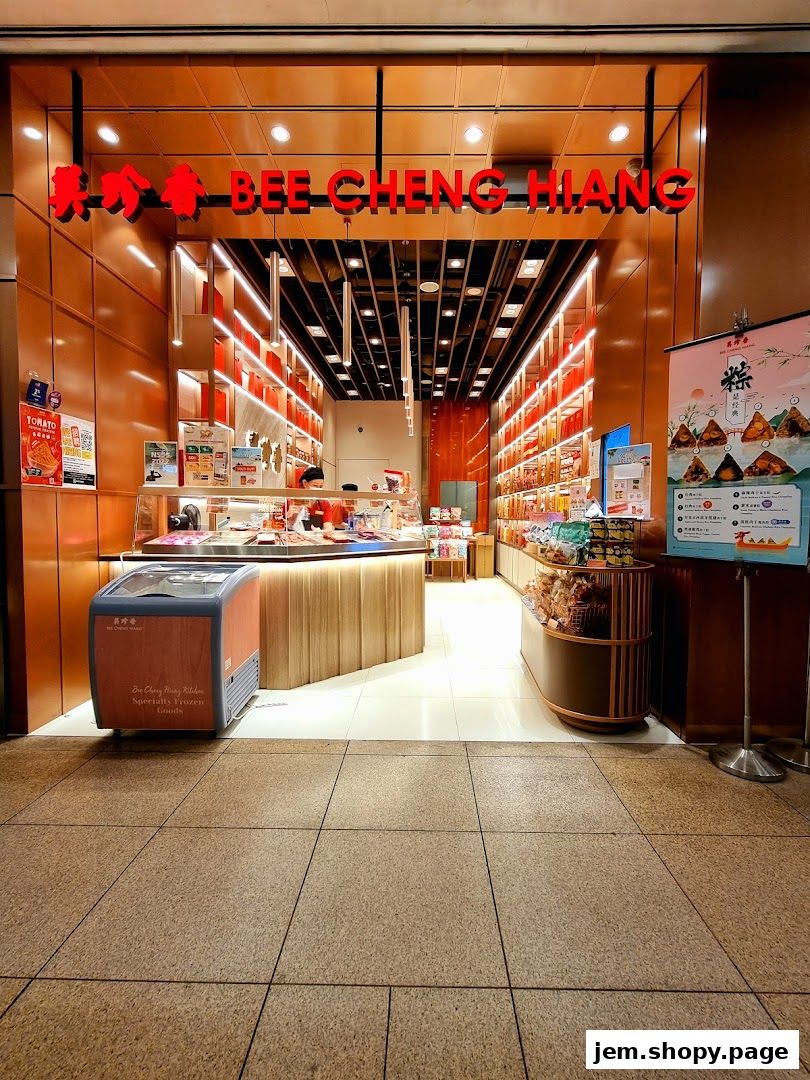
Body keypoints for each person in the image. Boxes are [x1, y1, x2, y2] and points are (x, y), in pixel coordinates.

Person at [291, 466, 333, 531]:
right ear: (305, 483)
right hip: (297, 538)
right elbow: (288, 524)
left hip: (316, 538)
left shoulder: (324, 503)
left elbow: (328, 526)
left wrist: (322, 532)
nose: (318, 489)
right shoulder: (294, 500)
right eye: (315, 485)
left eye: (321, 486)